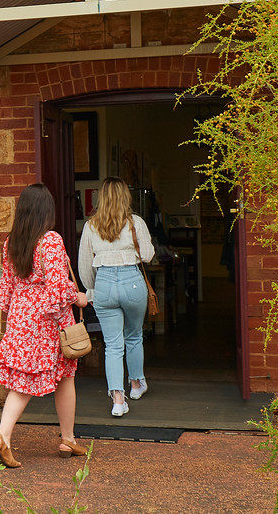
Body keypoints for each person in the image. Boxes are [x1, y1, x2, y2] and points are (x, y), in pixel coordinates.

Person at [0, 183, 92, 468]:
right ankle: (3, 436)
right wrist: (78, 297)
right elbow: (58, 287)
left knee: (57, 375)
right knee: (34, 380)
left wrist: (14, 317)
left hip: (21, 316)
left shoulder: (12, 242)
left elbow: (7, 285)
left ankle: (67, 438)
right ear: (47, 210)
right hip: (46, 320)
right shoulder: (50, 241)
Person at [77, 176, 156, 417]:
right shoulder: (136, 223)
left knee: (112, 345)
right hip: (132, 281)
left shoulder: (91, 226)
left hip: (104, 284)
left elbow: (84, 266)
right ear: (125, 197)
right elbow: (149, 255)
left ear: (102, 198)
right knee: (133, 336)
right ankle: (135, 385)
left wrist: (92, 291)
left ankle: (118, 400)